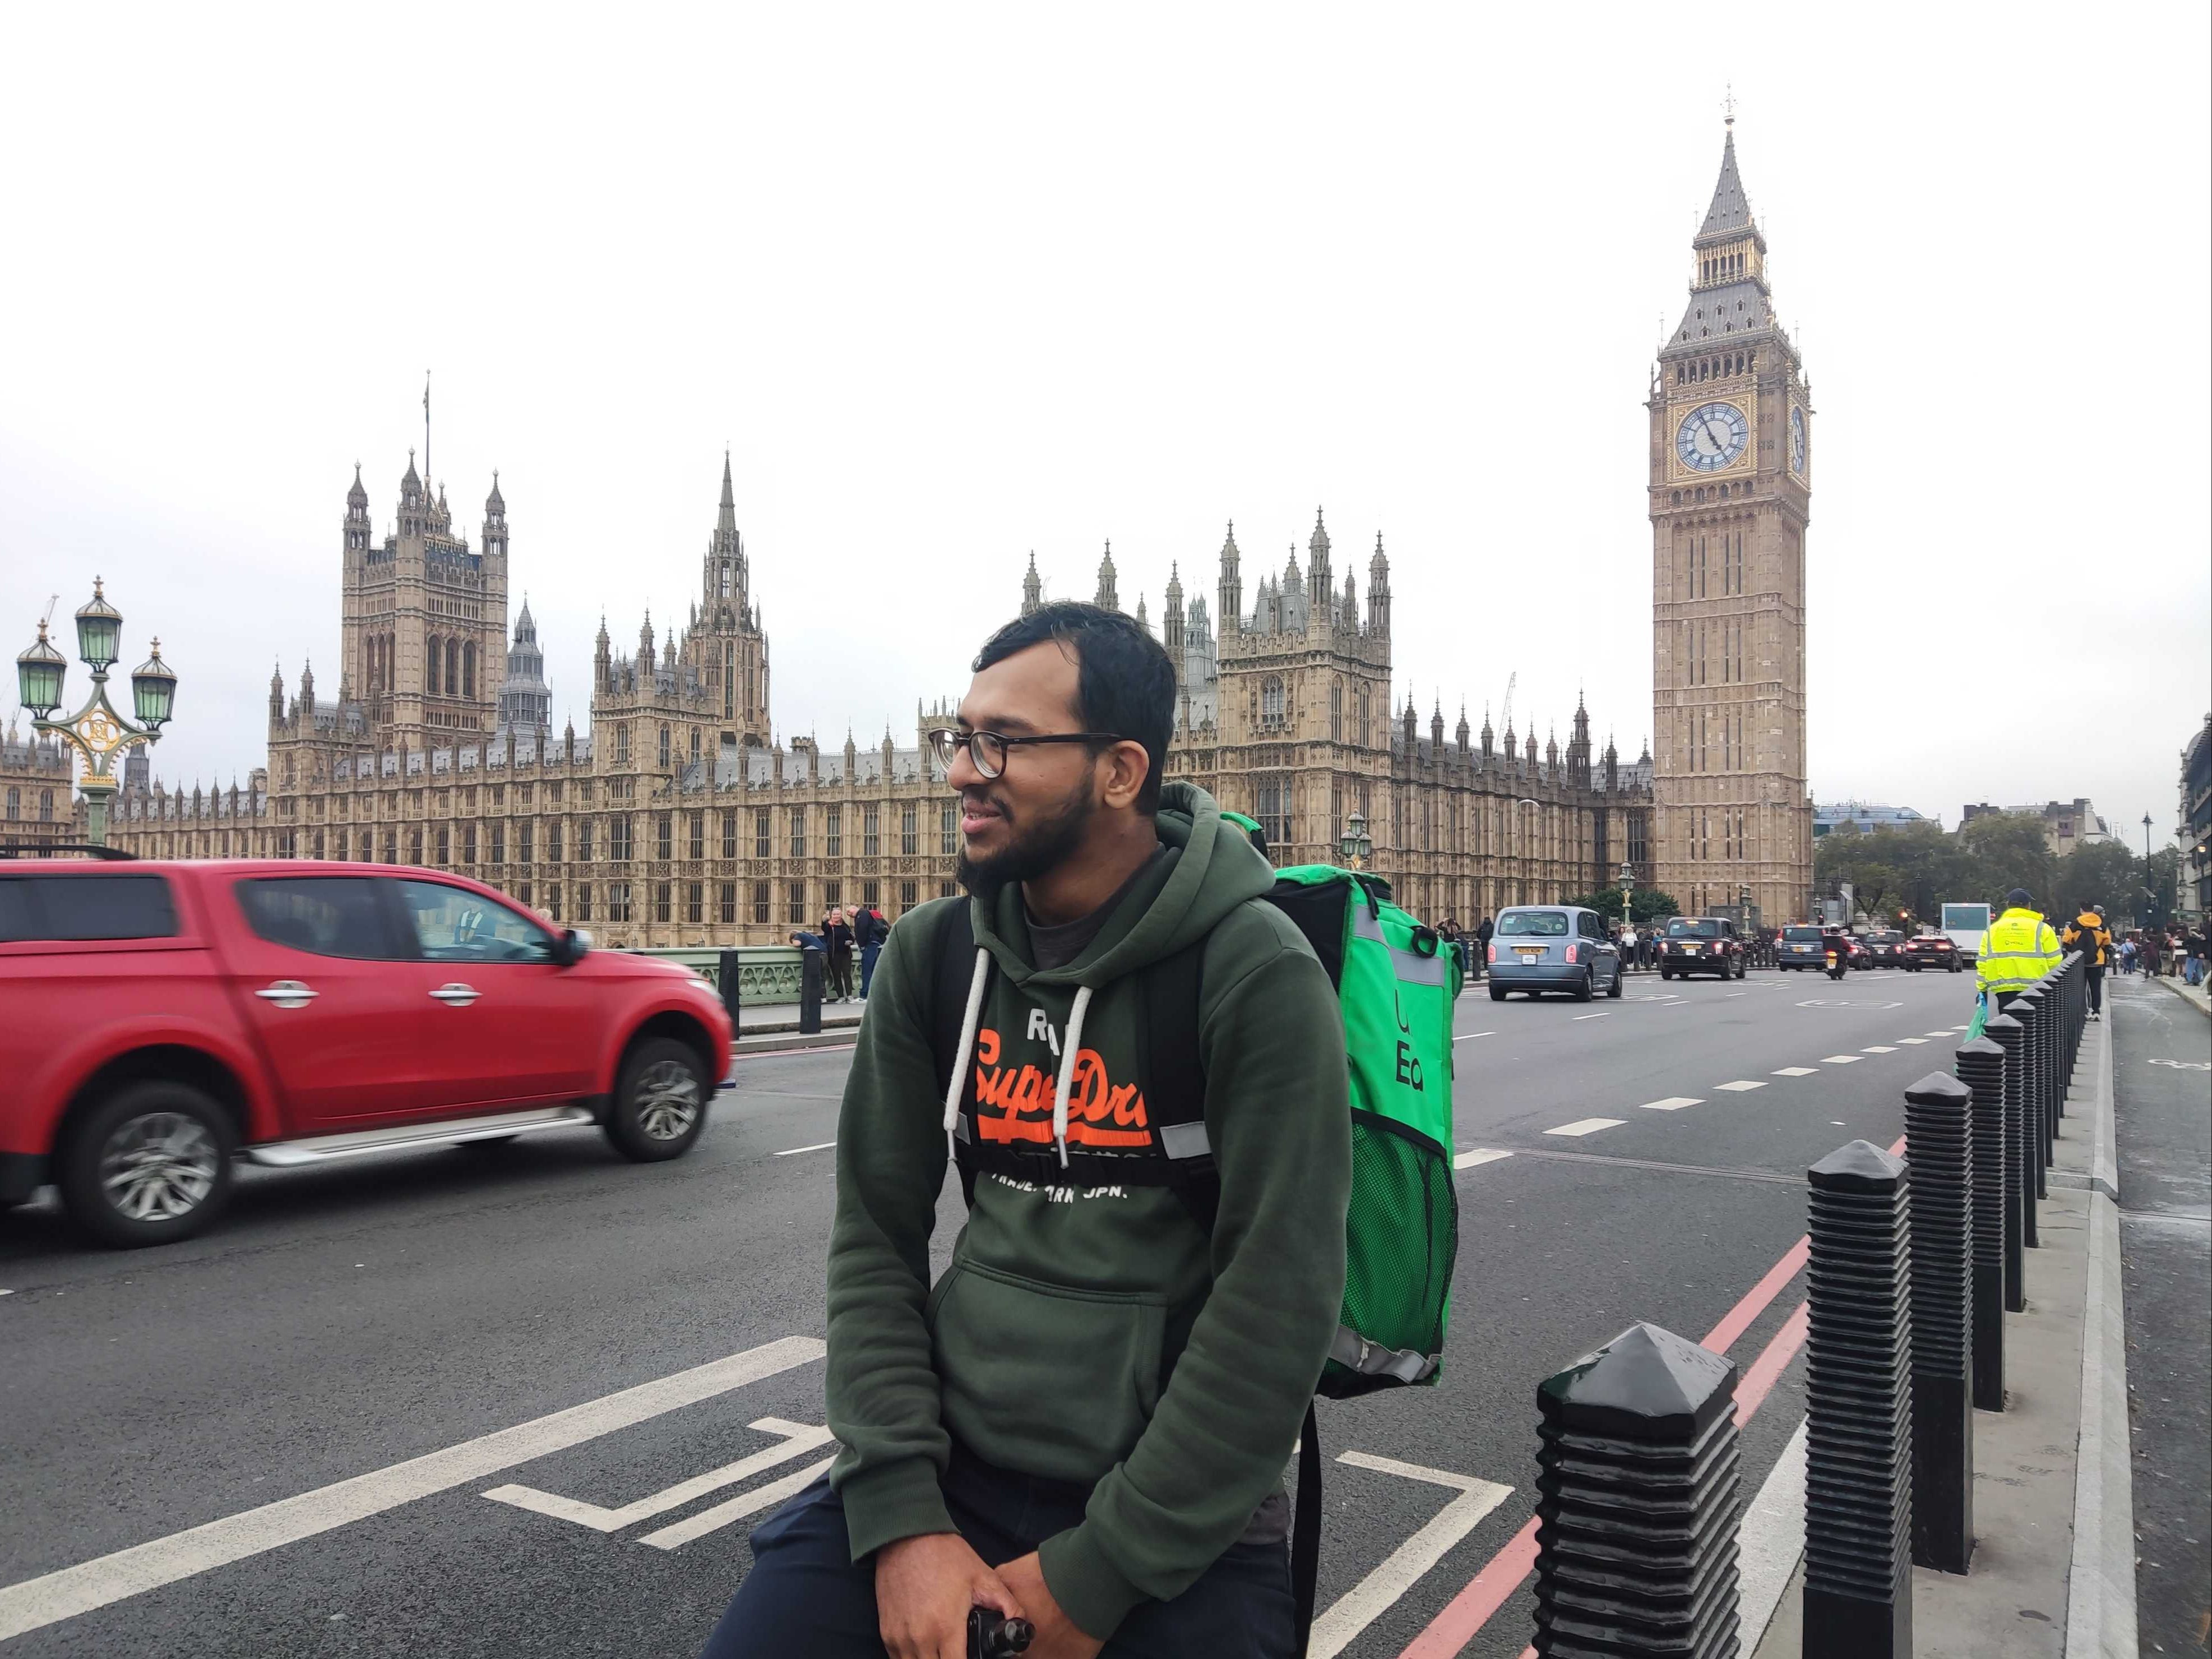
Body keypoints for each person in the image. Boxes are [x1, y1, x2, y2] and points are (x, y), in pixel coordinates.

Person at [702, 601, 1350, 1659]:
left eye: (1004, 741)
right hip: (947, 1473)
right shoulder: (933, 956)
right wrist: (903, 1514)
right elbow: (874, 1242)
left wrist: (1100, 1576)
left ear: (1121, 770)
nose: (964, 769)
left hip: (1170, 1507)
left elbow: (1278, 1302)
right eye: (961, 737)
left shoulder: (1253, 970)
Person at [1976, 888, 2064, 1010]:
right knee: (2033, 1025)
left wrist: (1982, 989)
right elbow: (2055, 960)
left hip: (2003, 988)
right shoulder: (2042, 928)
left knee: (2007, 1023)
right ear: (2029, 906)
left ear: (2008, 905)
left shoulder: (1993, 930)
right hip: (2036, 987)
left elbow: (1983, 962)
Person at [2061, 903, 2111, 1020]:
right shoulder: (2102, 926)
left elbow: (2066, 941)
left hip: (2079, 961)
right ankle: (2096, 1011)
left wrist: (2074, 949)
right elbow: (2107, 943)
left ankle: (2083, 1011)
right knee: (2096, 987)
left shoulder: (2075, 925)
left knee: (2080, 987)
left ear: (2081, 910)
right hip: (2097, 960)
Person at [822, 907, 857, 1001]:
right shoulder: (829, 926)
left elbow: (852, 936)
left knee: (847, 974)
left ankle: (850, 996)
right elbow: (824, 928)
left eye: (838, 914)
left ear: (841, 915)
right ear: (832, 916)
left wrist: (851, 941)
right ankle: (841, 997)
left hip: (846, 953)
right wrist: (824, 920)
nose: (836, 916)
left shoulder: (845, 926)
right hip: (834, 955)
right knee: (836, 975)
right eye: (834, 915)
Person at [854, 902, 886, 1000]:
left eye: (849, 912)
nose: (849, 915)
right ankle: (874, 994)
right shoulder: (871, 916)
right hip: (877, 944)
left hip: (870, 945)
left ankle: (865, 995)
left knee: (867, 971)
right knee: (874, 971)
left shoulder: (862, 914)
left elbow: (862, 930)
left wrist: (862, 945)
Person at [1474, 913, 1494, 979]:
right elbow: (1478, 933)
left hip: (1487, 942)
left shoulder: (1485, 926)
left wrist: (1481, 938)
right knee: (1488, 955)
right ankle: (1488, 967)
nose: (1486, 920)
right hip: (1487, 941)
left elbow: (1478, 934)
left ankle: (1488, 967)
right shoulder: (1490, 926)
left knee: (1487, 955)